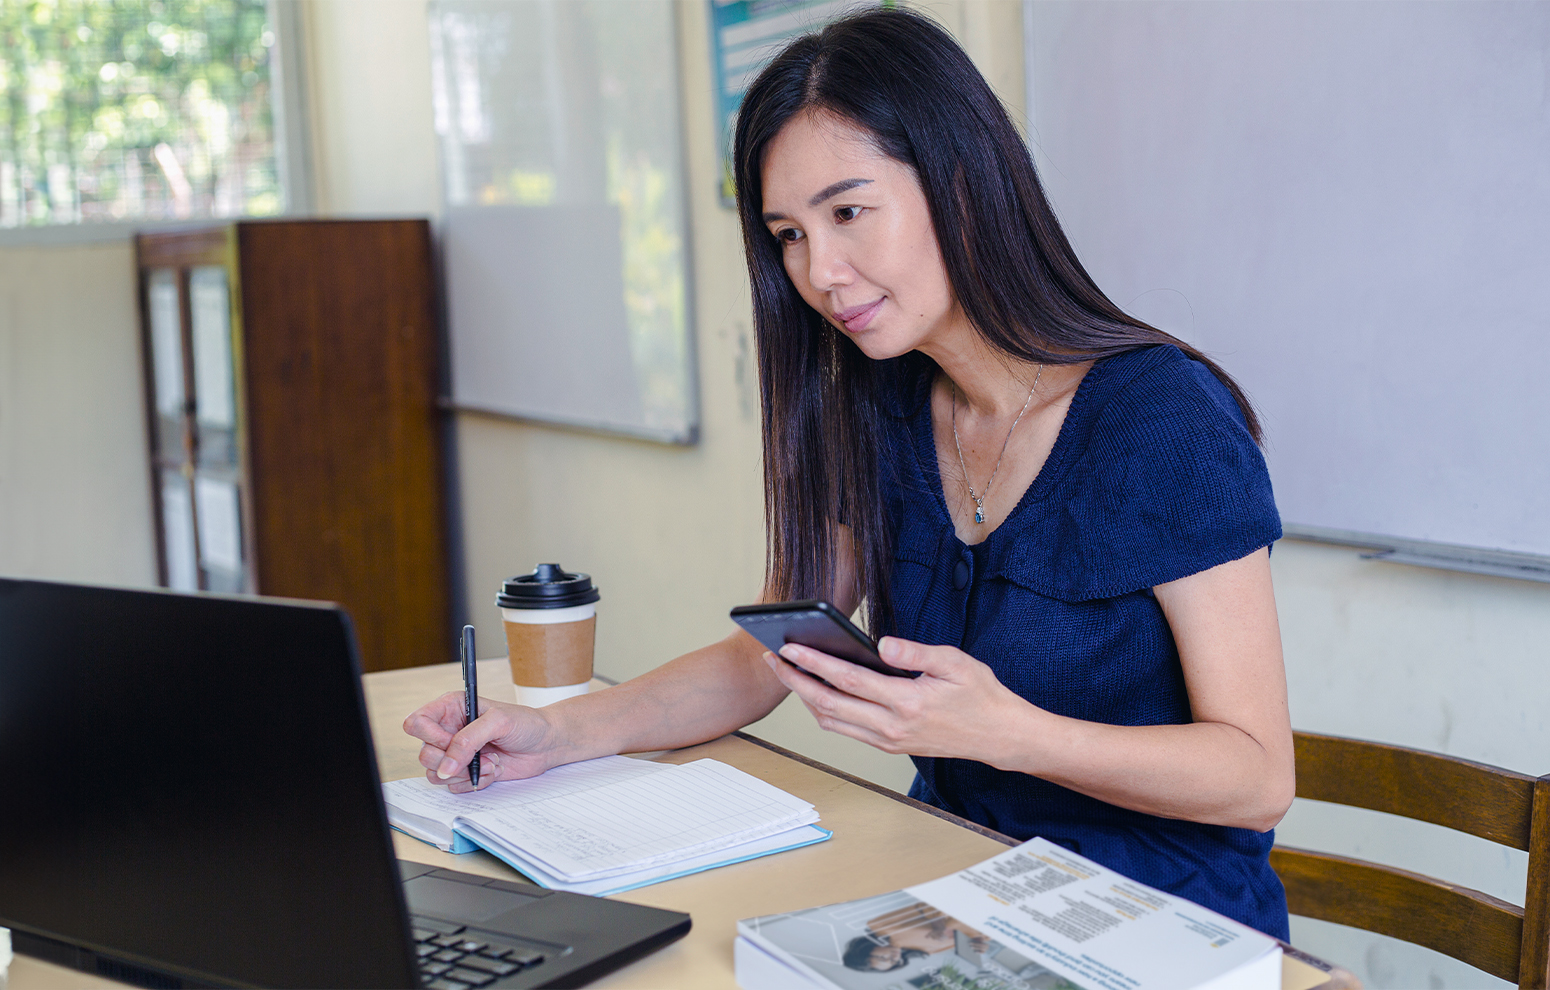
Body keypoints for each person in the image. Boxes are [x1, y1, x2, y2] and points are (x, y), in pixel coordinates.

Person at [404, 7, 1294, 938]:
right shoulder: (880, 406)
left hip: (1159, 924)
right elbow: (766, 661)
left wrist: (1009, 734)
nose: (821, 270)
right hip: (953, 896)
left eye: (849, 212)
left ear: (961, 181)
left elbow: (1257, 776)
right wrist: (560, 733)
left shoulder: (1162, 420)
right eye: (788, 233)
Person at [841, 902, 988, 973]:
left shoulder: (880, 926)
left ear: (865, 950)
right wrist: (980, 943)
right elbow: (976, 935)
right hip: (988, 916)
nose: (893, 957)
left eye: (883, 958)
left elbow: (927, 903)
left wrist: (938, 924)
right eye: (894, 962)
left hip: (970, 901)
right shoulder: (927, 951)